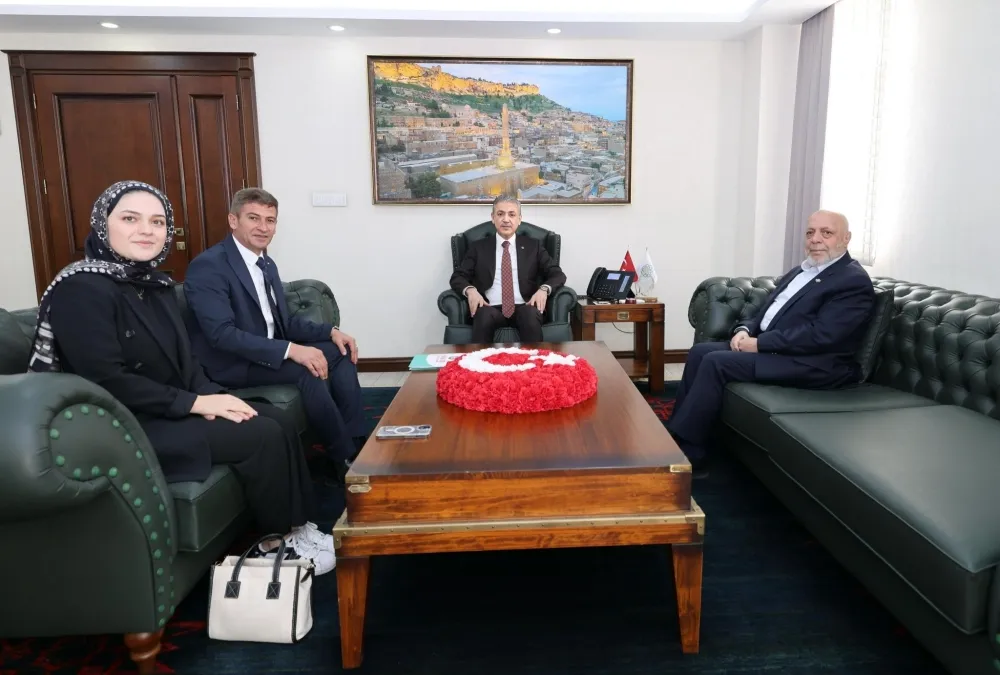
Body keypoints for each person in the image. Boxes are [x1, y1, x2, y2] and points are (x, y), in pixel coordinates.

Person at [27, 181, 335, 573]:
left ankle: (297, 526)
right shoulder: (80, 288)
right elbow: (107, 381)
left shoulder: (153, 285)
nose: (147, 230)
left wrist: (213, 396)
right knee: (261, 434)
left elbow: (186, 358)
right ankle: (276, 544)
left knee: (274, 418)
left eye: (158, 222)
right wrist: (195, 403)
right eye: (130, 219)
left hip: (167, 407)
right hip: (123, 426)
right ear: (103, 223)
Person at [667, 210, 875, 475]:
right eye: (810, 232)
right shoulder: (802, 271)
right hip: (779, 351)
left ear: (846, 238)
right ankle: (677, 435)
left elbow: (822, 335)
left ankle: (690, 455)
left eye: (826, 233)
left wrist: (760, 344)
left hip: (815, 363)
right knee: (699, 352)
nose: (815, 239)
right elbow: (766, 311)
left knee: (716, 362)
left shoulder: (852, 280)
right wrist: (744, 330)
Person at [182, 188, 365, 474]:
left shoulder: (266, 264)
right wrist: (291, 350)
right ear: (233, 220)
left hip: (265, 351)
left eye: (270, 220)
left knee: (340, 350)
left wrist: (330, 331)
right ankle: (341, 460)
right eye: (253, 218)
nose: (263, 227)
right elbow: (221, 334)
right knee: (306, 369)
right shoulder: (209, 266)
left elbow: (283, 323)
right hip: (231, 364)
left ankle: (357, 443)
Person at [449, 195, 567, 343]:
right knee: (483, 315)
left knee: (530, 314)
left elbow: (557, 274)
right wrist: (470, 290)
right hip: (490, 307)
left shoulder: (533, 246)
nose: (506, 219)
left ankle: (534, 358)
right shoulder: (478, 247)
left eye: (512, 214)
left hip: (525, 306)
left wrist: (544, 289)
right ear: (493, 218)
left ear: (519, 219)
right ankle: (480, 359)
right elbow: (458, 277)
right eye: (500, 214)